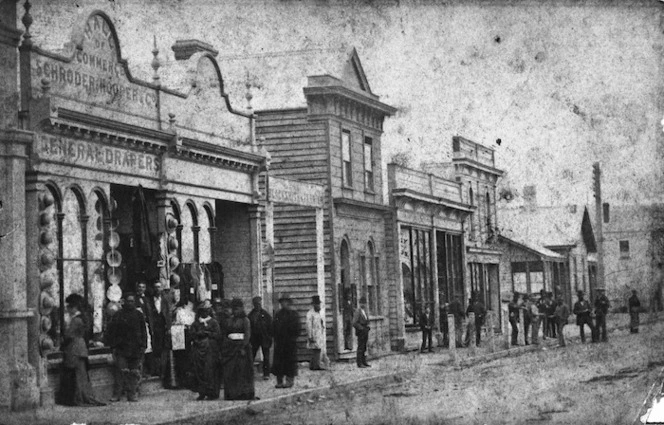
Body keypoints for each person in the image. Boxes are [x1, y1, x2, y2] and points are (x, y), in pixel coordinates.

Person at [58, 294, 105, 406]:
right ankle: (82, 396)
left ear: (74, 307)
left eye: (69, 307)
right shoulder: (83, 318)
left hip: (74, 348)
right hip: (81, 347)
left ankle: (78, 397)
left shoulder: (75, 320)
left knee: (76, 374)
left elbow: (69, 335)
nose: (68, 309)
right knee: (81, 374)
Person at [106, 293, 147, 402]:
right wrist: (113, 346)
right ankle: (117, 394)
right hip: (122, 348)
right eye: (128, 301)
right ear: (124, 302)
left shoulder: (139, 315)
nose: (130, 303)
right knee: (120, 372)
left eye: (132, 301)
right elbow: (112, 331)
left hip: (135, 349)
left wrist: (143, 345)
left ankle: (132, 394)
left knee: (134, 373)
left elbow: (144, 331)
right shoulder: (118, 315)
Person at [221, 298, 255, 400]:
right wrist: (227, 344)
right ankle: (232, 393)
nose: (235, 311)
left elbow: (247, 335)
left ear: (241, 309)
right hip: (231, 348)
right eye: (233, 309)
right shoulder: (229, 321)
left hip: (242, 348)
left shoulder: (246, 320)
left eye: (237, 309)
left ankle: (244, 393)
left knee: (243, 371)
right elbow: (225, 334)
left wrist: (243, 347)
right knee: (231, 371)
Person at [190, 300, 221, 400]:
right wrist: (198, 335)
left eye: (207, 311)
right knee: (200, 371)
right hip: (198, 350)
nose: (205, 313)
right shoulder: (195, 323)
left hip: (210, 350)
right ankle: (202, 392)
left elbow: (218, 335)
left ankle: (212, 392)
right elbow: (191, 335)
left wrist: (208, 333)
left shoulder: (213, 322)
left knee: (210, 370)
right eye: (203, 311)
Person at [272, 293, 301, 388]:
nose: (283, 304)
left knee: (290, 362)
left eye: (285, 302)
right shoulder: (278, 314)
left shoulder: (294, 314)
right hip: (280, 343)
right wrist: (276, 337)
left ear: (289, 303)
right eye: (282, 302)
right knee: (279, 363)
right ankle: (279, 381)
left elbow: (298, 329)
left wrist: (292, 338)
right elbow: (273, 328)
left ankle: (289, 381)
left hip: (290, 343)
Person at [148, 280, 172, 379]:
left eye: (159, 287)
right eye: (156, 287)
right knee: (155, 348)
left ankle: (163, 371)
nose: (157, 289)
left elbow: (168, 313)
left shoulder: (165, 299)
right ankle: (155, 370)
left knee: (163, 348)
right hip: (154, 326)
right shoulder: (150, 299)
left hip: (163, 326)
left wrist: (169, 327)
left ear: (161, 288)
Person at [172, 297, 196, 389]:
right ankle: (181, 381)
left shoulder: (193, 314)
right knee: (181, 359)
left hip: (190, 336)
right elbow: (178, 323)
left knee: (189, 359)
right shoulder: (179, 312)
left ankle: (189, 381)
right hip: (180, 335)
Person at [248, 296, 273, 380]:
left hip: (264, 338)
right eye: (255, 304)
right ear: (253, 305)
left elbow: (270, 327)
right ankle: (250, 374)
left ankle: (266, 374)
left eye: (259, 304)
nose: (257, 305)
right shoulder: (251, 315)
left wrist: (269, 337)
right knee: (251, 356)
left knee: (266, 357)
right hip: (254, 338)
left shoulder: (266, 315)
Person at [306, 295, 327, 369]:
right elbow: (309, 326)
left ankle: (314, 365)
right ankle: (315, 365)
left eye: (319, 304)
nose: (318, 305)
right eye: (317, 304)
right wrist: (310, 336)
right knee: (316, 350)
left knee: (318, 349)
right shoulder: (310, 314)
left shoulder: (318, 313)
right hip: (313, 334)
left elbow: (320, 323)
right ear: (313, 304)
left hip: (318, 334)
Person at [353, 296, 371, 368]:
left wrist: (367, 327)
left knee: (364, 347)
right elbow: (354, 323)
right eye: (361, 303)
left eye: (364, 303)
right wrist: (361, 328)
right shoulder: (358, 311)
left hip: (365, 330)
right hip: (361, 331)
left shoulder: (365, 311)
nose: (363, 305)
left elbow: (367, 320)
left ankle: (364, 362)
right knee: (360, 347)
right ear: (359, 303)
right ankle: (359, 363)